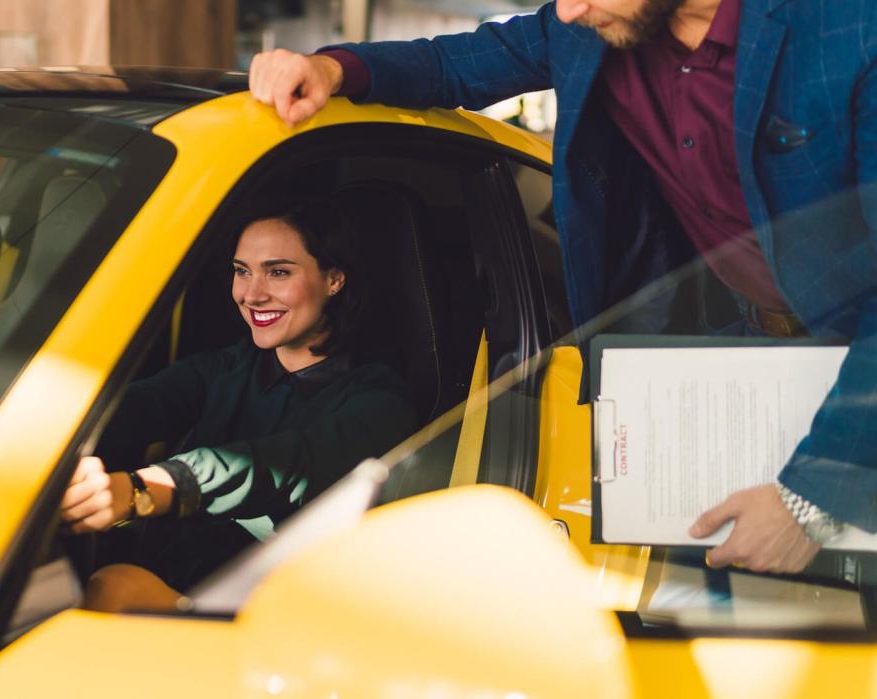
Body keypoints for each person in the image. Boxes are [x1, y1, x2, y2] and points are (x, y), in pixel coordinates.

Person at [248, 0, 877, 574]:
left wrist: (811, 500)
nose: (570, 10)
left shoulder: (849, 29)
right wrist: (330, 70)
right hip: (737, 358)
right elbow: (451, 65)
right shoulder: (586, 27)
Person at [60, 197, 417, 611]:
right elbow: (134, 408)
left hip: (268, 619)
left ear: (334, 279)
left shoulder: (379, 402)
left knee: (114, 587)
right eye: (241, 271)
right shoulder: (227, 367)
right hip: (173, 579)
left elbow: (278, 467)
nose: (251, 295)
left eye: (278, 272)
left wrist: (142, 490)